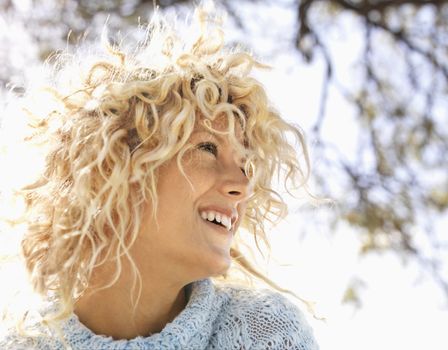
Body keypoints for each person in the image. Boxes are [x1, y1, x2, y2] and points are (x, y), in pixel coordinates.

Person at [0, 5, 319, 350]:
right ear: (116, 169)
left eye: (245, 166)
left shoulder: (265, 333)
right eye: (208, 149)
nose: (241, 186)